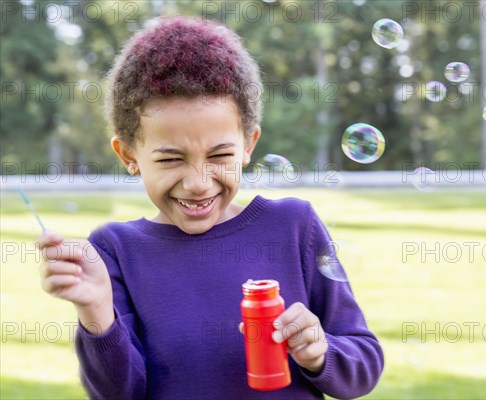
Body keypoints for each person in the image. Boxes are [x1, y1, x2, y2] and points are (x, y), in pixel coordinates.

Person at [37, 17, 384, 399]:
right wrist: (98, 315)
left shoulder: (293, 226)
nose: (199, 182)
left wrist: (320, 352)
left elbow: (363, 364)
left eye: (219, 154)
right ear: (129, 154)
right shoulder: (115, 250)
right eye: (171, 160)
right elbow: (119, 393)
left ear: (249, 145)